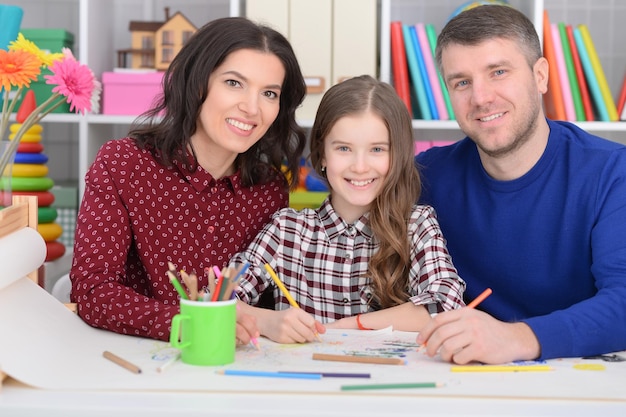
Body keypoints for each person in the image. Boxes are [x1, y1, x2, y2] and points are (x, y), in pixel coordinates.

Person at [70, 17, 308, 346]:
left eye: (269, 93)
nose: (252, 108)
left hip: (234, 366)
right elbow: (92, 292)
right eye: (234, 83)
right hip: (139, 363)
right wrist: (188, 323)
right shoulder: (124, 164)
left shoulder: (269, 191)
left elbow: (260, 301)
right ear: (198, 83)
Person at [415, 5, 626, 364]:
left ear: (540, 75)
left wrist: (516, 338)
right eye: (462, 82)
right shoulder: (425, 176)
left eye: (498, 72)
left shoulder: (611, 172)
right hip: (456, 380)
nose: (481, 98)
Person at [231, 75, 466, 344]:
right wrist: (268, 321)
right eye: (344, 148)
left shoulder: (417, 225)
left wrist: (347, 326)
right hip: (303, 381)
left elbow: (445, 305)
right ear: (321, 155)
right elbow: (221, 296)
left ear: (397, 156)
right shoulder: (287, 230)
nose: (360, 166)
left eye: (377, 149)